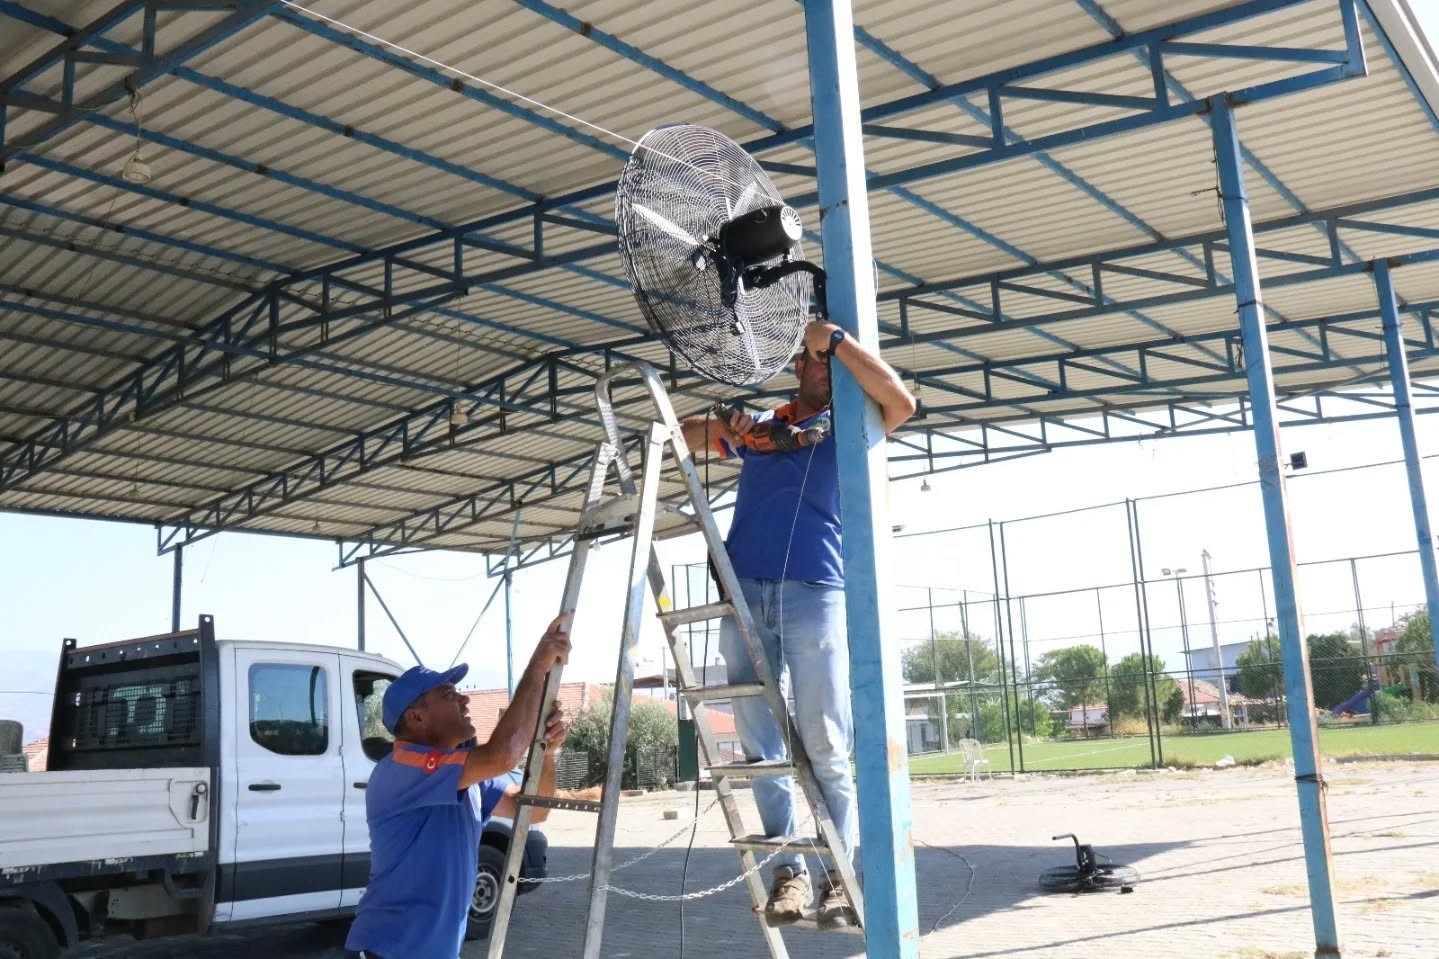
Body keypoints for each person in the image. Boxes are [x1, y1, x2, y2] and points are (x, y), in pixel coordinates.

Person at [680, 319, 916, 930]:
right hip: (745, 592)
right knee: (760, 743)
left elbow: (902, 403)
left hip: (815, 591)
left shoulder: (851, 426)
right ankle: (789, 873)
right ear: (797, 368)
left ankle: (838, 876)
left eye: (836, 362)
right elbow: (685, 434)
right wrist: (729, 424)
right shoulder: (767, 428)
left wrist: (837, 342)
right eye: (817, 360)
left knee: (826, 739)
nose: (829, 370)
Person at [344, 614, 573, 959]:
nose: (464, 700)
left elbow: (534, 810)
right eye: (449, 694)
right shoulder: (402, 768)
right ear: (416, 717)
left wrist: (547, 751)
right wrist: (538, 667)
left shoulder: (462, 774)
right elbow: (502, 755)